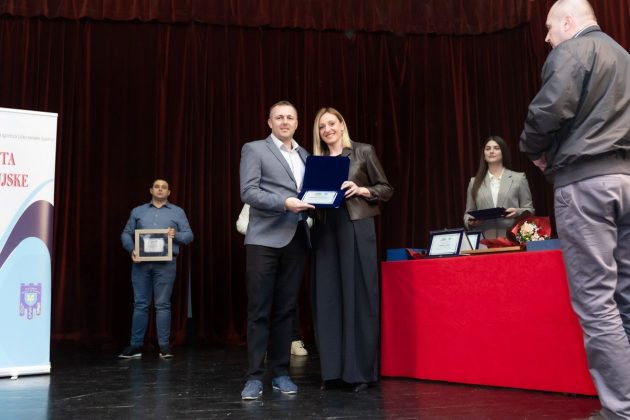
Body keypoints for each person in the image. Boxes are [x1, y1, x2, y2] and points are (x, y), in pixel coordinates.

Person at [519, 1, 630, 418]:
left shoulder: (572, 51)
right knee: (626, 298)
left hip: (586, 186)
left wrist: (533, 150)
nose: (547, 38)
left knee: (597, 302)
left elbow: (547, 111)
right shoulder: (624, 56)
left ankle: (621, 411)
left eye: (550, 28)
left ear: (568, 22)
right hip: (627, 181)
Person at [311, 107, 393, 392]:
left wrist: (362, 190)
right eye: (322, 126)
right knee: (328, 298)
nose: (328, 130)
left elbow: (386, 188)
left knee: (358, 296)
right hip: (325, 230)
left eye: (331, 123)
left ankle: (358, 373)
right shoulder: (316, 160)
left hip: (356, 227)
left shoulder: (362, 151)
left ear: (342, 125)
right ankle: (332, 372)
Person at [239, 101, 314, 400]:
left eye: (290, 117)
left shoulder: (306, 155)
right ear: (269, 122)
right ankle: (254, 377)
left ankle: (281, 373)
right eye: (279, 117)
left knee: (286, 310)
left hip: (296, 238)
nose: (285, 122)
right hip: (263, 240)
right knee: (259, 310)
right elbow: (248, 191)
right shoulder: (254, 149)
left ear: (297, 123)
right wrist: (284, 203)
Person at [119, 179, 194, 359]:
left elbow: (189, 236)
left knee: (163, 305)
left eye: (164, 187)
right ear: (151, 190)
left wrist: (175, 235)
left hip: (166, 265)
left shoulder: (178, 212)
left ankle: (164, 347)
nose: (160, 190)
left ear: (168, 192)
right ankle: (136, 346)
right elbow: (126, 234)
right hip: (141, 265)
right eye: (157, 187)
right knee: (140, 304)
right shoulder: (138, 211)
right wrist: (132, 249)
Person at [235, 204, 309, 357]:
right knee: (261, 301)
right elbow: (241, 223)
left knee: (289, 300)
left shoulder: (295, 197)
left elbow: (307, 220)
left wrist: (290, 229)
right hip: (263, 251)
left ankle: (293, 340)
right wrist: (262, 231)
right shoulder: (256, 199)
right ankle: (262, 347)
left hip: (290, 250)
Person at [464, 136, 534, 239]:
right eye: (488, 149)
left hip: (511, 238)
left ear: (503, 153)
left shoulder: (519, 178)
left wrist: (517, 212)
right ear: (484, 155)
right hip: (484, 240)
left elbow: (530, 210)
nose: (491, 151)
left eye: (496, 148)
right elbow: (467, 214)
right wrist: (471, 222)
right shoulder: (474, 182)